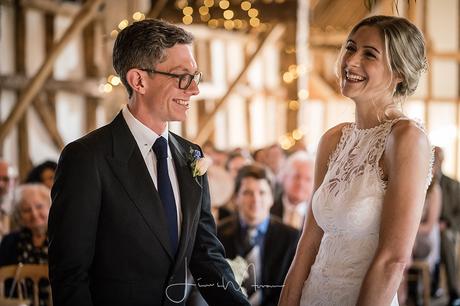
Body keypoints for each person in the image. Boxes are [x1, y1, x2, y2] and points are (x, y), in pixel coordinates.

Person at [48, 19, 249, 306]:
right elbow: (69, 275)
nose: (194, 90)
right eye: (182, 77)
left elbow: (206, 256)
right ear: (138, 80)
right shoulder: (87, 158)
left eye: (196, 76)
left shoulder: (192, 156)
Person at [279, 15, 432, 306]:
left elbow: (393, 260)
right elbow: (308, 243)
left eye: (369, 54)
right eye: (350, 47)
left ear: (399, 72)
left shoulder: (406, 138)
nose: (351, 61)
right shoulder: (333, 140)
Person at [217, 164, 299, 306]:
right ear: (236, 197)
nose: (255, 200)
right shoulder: (217, 234)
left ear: (272, 198)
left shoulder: (291, 238)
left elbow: (291, 290)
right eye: (248, 193)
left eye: (262, 193)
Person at [0, 184, 51, 306]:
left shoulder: (63, 238)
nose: (34, 214)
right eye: (26, 210)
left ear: (50, 206)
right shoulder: (10, 241)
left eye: (39, 206)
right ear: (19, 215)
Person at [433, 146, 460, 305]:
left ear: (442, 160)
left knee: (445, 239)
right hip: (427, 228)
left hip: (447, 228)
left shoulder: (454, 185)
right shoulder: (423, 184)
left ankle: (453, 291)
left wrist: (447, 224)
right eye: (431, 156)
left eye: (436, 156)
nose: (434, 159)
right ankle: (416, 286)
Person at [270, 151, 314, 230]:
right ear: (284, 177)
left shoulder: (318, 216)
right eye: (297, 176)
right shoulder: (269, 208)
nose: (301, 183)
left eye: (308, 179)